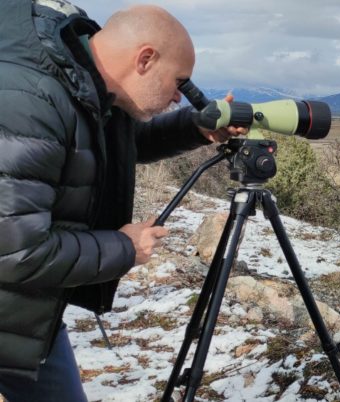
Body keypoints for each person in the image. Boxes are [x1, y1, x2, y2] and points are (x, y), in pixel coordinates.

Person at [0, 1, 243, 400]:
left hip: (27, 313)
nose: (179, 99)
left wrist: (197, 128)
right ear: (145, 59)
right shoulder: (30, 102)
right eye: (179, 83)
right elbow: (15, 252)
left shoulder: (83, 82)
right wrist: (124, 247)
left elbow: (106, 147)